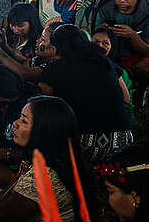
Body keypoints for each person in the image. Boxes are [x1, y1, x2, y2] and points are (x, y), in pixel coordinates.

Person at [40, 24, 133, 162]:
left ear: (55, 48)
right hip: (123, 140)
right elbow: (126, 99)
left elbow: (44, 106)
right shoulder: (103, 60)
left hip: (87, 143)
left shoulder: (54, 70)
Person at [94, 0, 149, 101]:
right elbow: (95, 39)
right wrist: (102, 31)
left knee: (146, 68)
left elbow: (147, 51)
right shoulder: (105, 9)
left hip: (136, 56)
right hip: (112, 52)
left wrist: (133, 36)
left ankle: (140, 91)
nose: (122, 0)